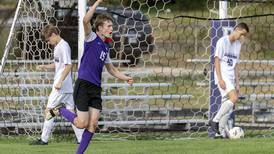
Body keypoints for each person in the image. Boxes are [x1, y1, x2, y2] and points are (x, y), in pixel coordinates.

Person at [47, 0, 133, 153]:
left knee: (92, 125)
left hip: (95, 89)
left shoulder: (106, 47)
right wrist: (97, 2)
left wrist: (125, 77)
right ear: (100, 28)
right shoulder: (91, 37)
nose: (112, 29)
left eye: (112, 26)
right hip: (83, 85)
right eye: (109, 26)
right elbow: (86, 20)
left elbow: (112, 70)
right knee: (81, 124)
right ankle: (60, 110)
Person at [30, 24, 83, 145]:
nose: (48, 42)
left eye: (48, 40)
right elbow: (57, 64)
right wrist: (45, 66)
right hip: (67, 86)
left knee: (49, 111)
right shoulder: (58, 46)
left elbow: (69, 65)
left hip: (61, 86)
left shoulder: (63, 46)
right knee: (71, 113)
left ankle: (44, 139)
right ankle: (81, 138)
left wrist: (59, 81)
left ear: (53, 35)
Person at [210, 22, 249, 138]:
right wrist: (220, 79)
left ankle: (219, 132)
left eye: (244, 36)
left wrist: (238, 84)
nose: (242, 37)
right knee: (234, 98)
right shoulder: (222, 41)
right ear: (236, 29)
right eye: (242, 34)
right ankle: (215, 120)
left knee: (228, 107)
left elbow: (236, 65)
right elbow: (216, 60)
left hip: (231, 78)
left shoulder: (238, 45)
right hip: (223, 76)